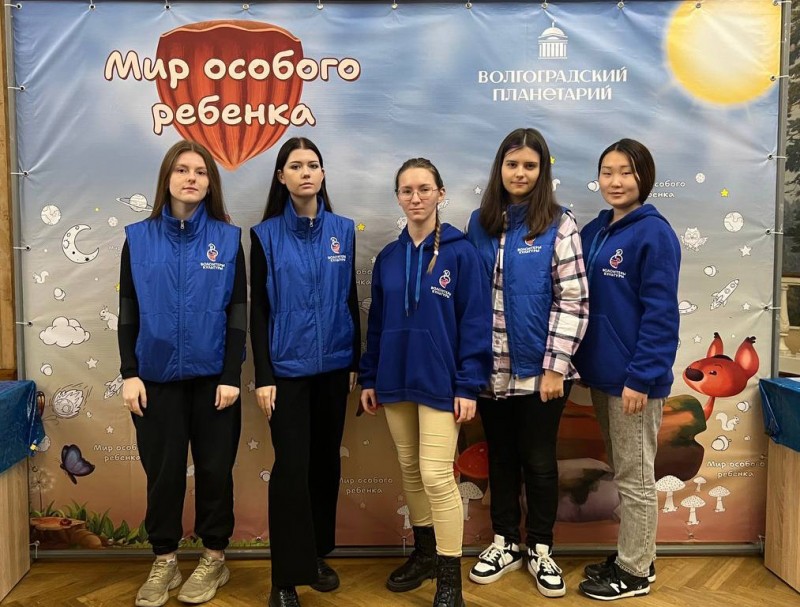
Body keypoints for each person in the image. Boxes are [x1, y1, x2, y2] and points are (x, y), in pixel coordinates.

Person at [119, 140, 246, 607]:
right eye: (181, 170)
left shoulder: (227, 239)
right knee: (164, 475)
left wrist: (231, 374)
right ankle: (165, 559)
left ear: (210, 183)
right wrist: (129, 372)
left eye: (200, 171)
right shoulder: (138, 238)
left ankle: (214, 558)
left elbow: (237, 312)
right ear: (167, 179)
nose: (191, 178)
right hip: (154, 380)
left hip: (214, 381)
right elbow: (128, 310)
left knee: (215, 471)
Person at [360, 158, 492, 607]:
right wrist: (370, 376)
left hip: (441, 383)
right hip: (394, 380)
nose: (415, 198)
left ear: (440, 193)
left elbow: (475, 323)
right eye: (406, 190)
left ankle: (449, 578)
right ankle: (424, 555)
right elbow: (378, 324)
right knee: (412, 472)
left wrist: (468, 384)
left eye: (424, 189)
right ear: (398, 197)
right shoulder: (389, 258)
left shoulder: (461, 253)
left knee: (437, 475)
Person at [465, 128, 589, 598]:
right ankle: (504, 542)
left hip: (541, 373)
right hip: (490, 369)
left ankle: (540, 546)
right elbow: (467, 295)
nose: (520, 173)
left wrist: (555, 366)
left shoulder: (559, 224)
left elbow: (573, 299)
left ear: (542, 171)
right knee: (500, 456)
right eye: (512, 164)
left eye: (530, 166)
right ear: (500, 168)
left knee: (538, 459)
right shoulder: (479, 223)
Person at [250, 137, 360, 607]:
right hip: (287, 373)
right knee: (291, 470)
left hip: (334, 370)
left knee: (324, 465)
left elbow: (350, 298)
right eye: (295, 166)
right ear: (282, 177)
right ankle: (284, 579)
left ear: (323, 173)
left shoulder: (343, 230)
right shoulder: (264, 235)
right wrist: (265, 375)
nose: (306, 172)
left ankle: (314, 556)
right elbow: (259, 311)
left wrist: (354, 359)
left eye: (313, 165)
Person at [574, 139, 680, 601]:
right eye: (608, 172)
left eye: (626, 172)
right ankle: (635, 556)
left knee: (635, 479)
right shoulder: (595, 230)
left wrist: (641, 377)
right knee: (624, 471)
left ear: (644, 178)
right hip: (603, 376)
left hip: (635, 381)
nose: (615, 181)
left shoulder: (654, 233)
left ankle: (634, 573)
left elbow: (661, 314)